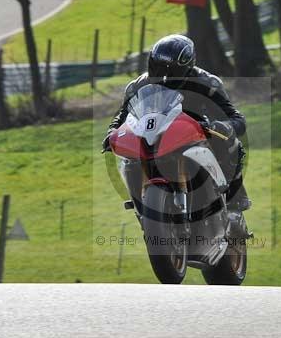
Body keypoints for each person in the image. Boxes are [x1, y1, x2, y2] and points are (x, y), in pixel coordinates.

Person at [104, 34, 250, 210]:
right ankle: (139, 204)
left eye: (170, 70)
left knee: (228, 140)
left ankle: (234, 193)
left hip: (197, 134)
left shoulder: (207, 83)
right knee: (129, 158)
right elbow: (122, 116)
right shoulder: (137, 86)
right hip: (155, 136)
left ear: (187, 66)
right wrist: (112, 133)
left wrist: (222, 126)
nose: (164, 75)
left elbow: (235, 117)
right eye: (158, 67)